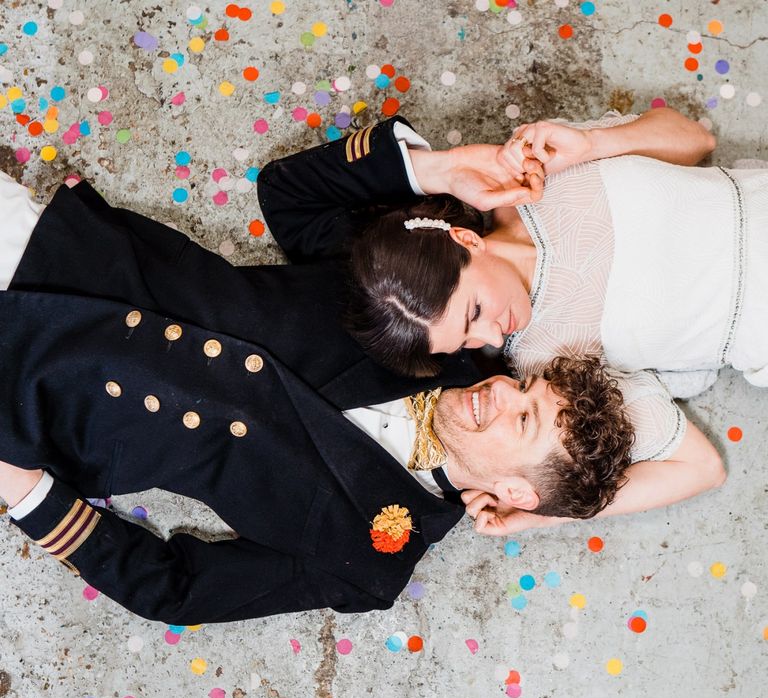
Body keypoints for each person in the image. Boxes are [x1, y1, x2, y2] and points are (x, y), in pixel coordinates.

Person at [0, 121, 632, 625]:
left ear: (516, 493)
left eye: (524, 417)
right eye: (523, 386)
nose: (499, 387)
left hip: (35, 406)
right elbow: (292, 194)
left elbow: (180, 593)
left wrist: (31, 496)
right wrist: (435, 170)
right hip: (60, 260)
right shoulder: (436, 321)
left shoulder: (371, 560)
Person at [258, 109, 729, 536]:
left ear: (466, 239)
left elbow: (697, 141)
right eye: (463, 339)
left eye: (475, 312)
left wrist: (446, 168)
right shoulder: (547, 367)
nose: (490, 339)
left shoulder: (535, 176)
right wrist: (545, 510)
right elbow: (700, 467)